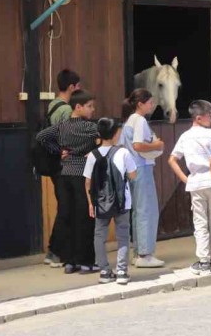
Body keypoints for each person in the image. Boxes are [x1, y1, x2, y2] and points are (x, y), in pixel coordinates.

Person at [35, 90, 100, 274]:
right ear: (78, 107)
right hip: (82, 174)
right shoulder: (89, 127)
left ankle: (70, 261)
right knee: (86, 218)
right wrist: (94, 151)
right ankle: (86, 261)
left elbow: (40, 137)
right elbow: (107, 134)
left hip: (64, 174)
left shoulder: (61, 126)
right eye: (89, 106)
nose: (92, 110)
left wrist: (58, 151)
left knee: (68, 216)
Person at [168, 99, 211, 275]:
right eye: (209, 115)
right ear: (199, 118)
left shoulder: (185, 136)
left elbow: (172, 160)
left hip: (196, 182)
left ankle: (203, 260)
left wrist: (186, 179)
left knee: (200, 222)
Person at [83, 118, 137, 285]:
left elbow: (87, 182)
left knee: (99, 235)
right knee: (122, 235)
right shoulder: (123, 153)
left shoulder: (92, 155)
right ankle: (121, 271)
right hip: (122, 201)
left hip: (100, 201)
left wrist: (90, 203)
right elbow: (133, 175)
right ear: (115, 135)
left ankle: (105, 271)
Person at [121, 89, 166, 268]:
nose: (152, 105)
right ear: (140, 104)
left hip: (132, 169)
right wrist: (157, 144)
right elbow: (138, 145)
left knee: (138, 211)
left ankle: (138, 251)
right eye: (149, 102)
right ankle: (145, 254)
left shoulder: (129, 121)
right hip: (142, 167)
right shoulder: (139, 120)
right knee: (147, 210)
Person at [44, 68, 81, 267]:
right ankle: (55, 251)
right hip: (64, 165)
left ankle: (57, 251)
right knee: (67, 207)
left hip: (53, 164)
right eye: (77, 87)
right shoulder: (66, 110)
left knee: (64, 206)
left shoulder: (52, 105)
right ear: (70, 87)